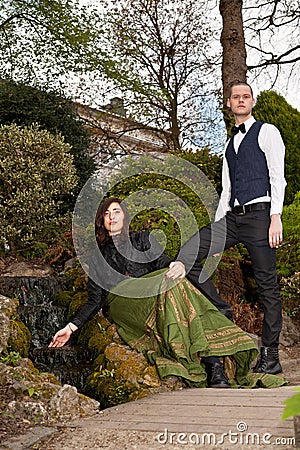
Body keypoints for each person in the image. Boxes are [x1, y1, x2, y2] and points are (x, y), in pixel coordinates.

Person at [49, 197, 286, 389]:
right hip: (123, 303)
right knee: (170, 284)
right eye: (107, 213)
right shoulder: (97, 257)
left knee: (176, 282)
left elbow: (165, 264)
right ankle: (214, 360)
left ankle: (213, 364)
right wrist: (70, 328)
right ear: (102, 220)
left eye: (117, 212)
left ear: (125, 216)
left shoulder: (143, 239)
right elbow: (94, 299)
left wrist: (179, 265)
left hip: (154, 294)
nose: (112, 217)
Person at [180, 81, 286, 375]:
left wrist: (275, 217)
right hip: (233, 219)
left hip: (261, 217)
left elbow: (279, 177)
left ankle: (270, 356)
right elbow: (226, 190)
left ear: (252, 101)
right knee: (188, 252)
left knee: (268, 289)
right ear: (229, 103)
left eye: (246, 96)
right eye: (236, 97)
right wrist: (217, 230)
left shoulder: (267, 132)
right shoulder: (229, 144)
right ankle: (221, 306)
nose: (241, 100)